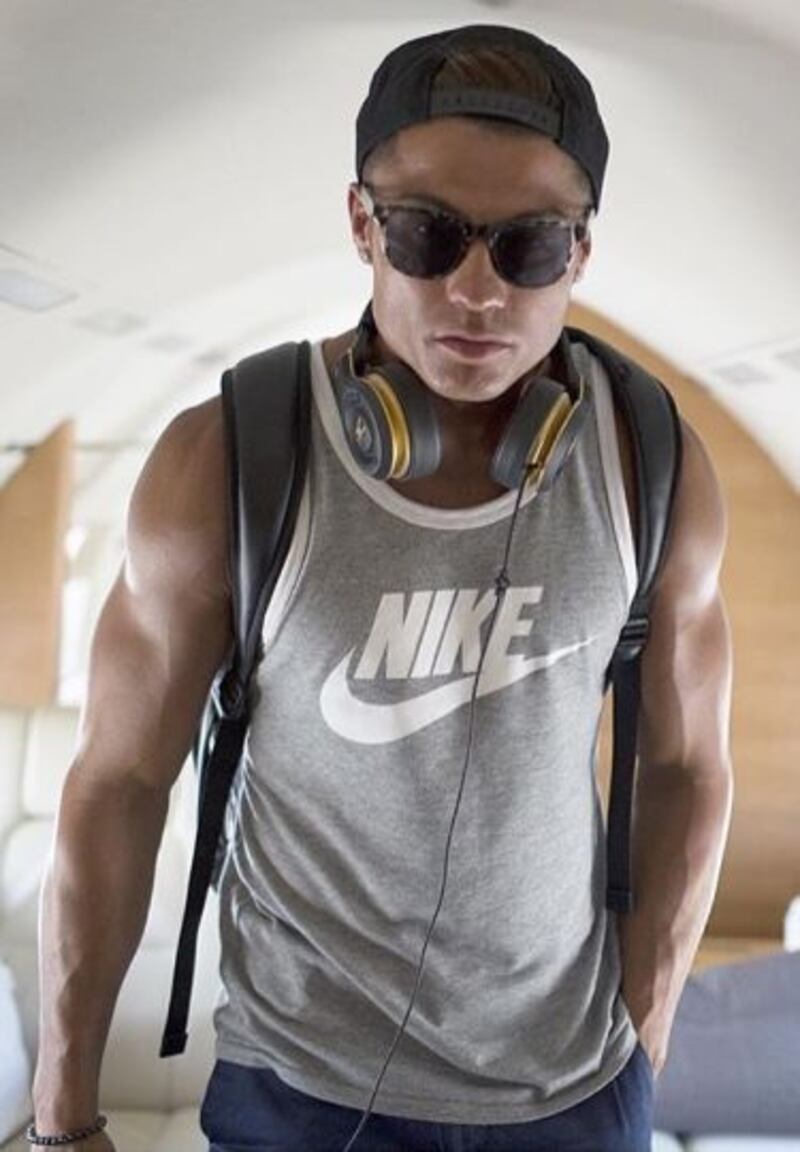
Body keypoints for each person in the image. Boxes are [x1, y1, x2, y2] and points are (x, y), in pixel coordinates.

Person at [30, 21, 734, 1152]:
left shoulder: (650, 464)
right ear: (362, 224)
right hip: (301, 1095)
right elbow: (118, 782)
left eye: (528, 247)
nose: (476, 290)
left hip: (575, 1094)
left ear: (581, 253)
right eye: (425, 234)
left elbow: (689, 769)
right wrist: (62, 1117)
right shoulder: (226, 464)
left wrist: (641, 1043)